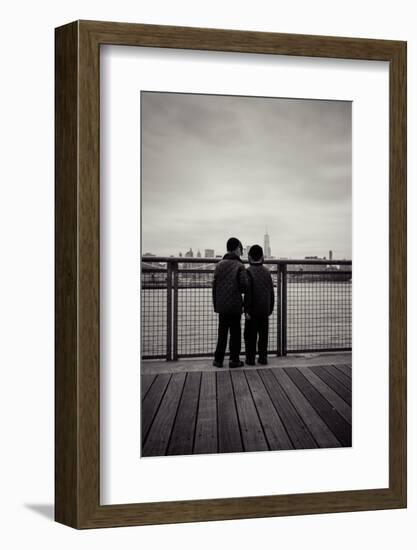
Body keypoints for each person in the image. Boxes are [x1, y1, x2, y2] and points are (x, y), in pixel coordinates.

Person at [212, 237, 248, 368]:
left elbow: (214, 286)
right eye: (241, 249)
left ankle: (218, 359)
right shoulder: (240, 265)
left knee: (222, 332)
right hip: (234, 306)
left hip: (222, 305)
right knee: (235, 333)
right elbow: (244, 286)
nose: (241, 252)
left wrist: (216, 304)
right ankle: (234, 360)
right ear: (237, 249)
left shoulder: (219, 264)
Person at [243, 244, 274, 365]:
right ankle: (263, 357)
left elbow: (248, 293)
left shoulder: (248, 271)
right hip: (264, 309)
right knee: (263, 335)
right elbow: (271, 291)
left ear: (249, 257)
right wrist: (270, 307)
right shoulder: (267, 272)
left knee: (250, 335)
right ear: (262, 257)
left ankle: (250, 358)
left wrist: (246, 310)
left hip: (253, 310)